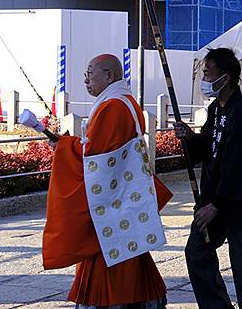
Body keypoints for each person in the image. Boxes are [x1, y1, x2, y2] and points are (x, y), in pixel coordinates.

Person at [43, 54, 171, 309]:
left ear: (109, 76)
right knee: (129, 250)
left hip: (112, 201)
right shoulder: (125, 102)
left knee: (110, 251)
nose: (86, 80)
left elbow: (97, 158)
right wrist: (69, 145)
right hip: (123, 192)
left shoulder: (113, 106)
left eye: (90, 73)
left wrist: (64, 146)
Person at [173, 48, 242, 309]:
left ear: (224, 77)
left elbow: (240, 167)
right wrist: (191, 138)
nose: (203, 77)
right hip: (212, 198)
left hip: (237, 201)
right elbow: (209, 148)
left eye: (207, 71)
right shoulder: (217, 108)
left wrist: (217, 206)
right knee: (196, 252)